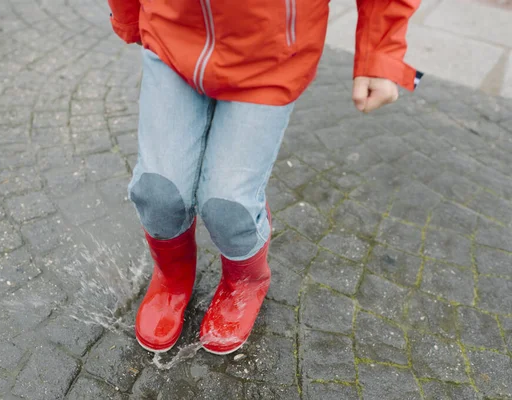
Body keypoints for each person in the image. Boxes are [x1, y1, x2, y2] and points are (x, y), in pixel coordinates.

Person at [106, 0, 422, 355]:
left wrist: (381, 52)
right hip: (171, 35)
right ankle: (172, 274)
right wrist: (129, 14)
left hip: (271, 56)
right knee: (158, 191)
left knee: (229, 205)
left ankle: (246, 279)